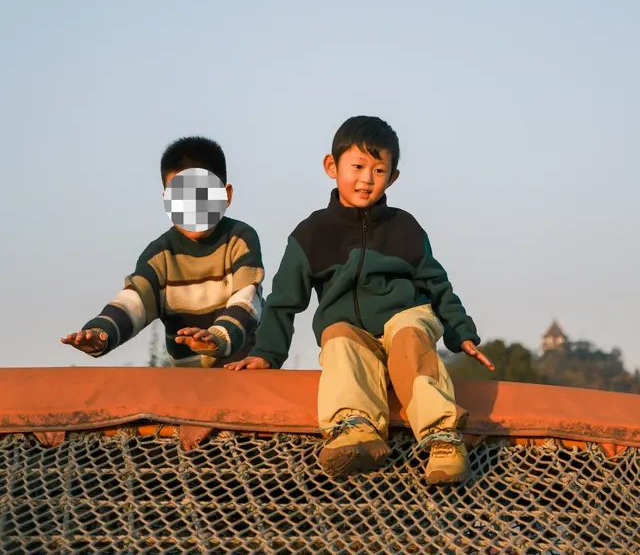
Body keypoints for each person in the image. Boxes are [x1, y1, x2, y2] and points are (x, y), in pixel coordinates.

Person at [227, 115, 493, 484]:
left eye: (378, 170)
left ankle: (443, 439)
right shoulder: (311, 234)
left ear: (392, 177)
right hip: (356, 336)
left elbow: (437, 283)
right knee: (336, 336)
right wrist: (266, 354)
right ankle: (356, 431)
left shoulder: (405, 228)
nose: (367, 179)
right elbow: (284, 300)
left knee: (408, 334)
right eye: (357, 167)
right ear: (331, 166)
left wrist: (461, 331)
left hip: (404, 318)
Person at [61, 136, 264, 367]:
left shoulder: (239, 240)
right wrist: (101, 332)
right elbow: (134, 302)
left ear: (226, 195)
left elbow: (247, 300)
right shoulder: (160, 256)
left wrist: (218, 337)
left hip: (243, 372)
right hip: (189, 380)